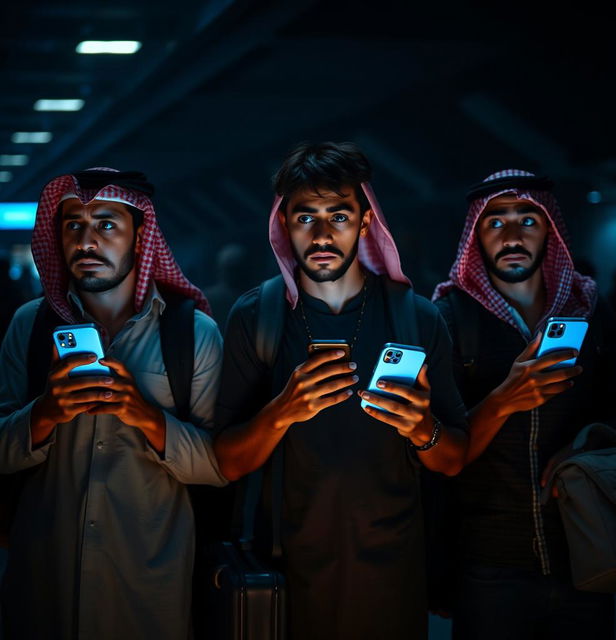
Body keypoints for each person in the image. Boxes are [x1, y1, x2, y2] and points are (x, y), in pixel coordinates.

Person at [213, 142, 468, 640]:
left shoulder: (417, 317)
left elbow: (455, 459)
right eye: (306, 217)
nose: (323, 234)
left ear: (366, 222)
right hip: (287, 574)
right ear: (283, 222)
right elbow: (226, 463)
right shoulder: (257, 317)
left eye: (340, 216)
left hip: (393, 578)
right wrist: (282, 411)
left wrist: (423, 429)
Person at [0, 168, 227, 640]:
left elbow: (217, 465)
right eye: (73, 226)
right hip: (44, 585)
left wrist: (144, 415)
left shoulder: (193, 335)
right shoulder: (28, 328)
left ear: (141, 237)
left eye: (106, 225)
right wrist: (45, 414)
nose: (86, 241)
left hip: (149, 586)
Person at [432, 169, 616, 639]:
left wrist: (588, 446)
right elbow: (436, 446)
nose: (511, 235)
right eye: (495, 222)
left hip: (585, 556)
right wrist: (503, 400)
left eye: (528, 220)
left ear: (550, 230)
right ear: (476, 237)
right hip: (487, 564)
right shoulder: (448, 318)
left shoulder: (588, 309)